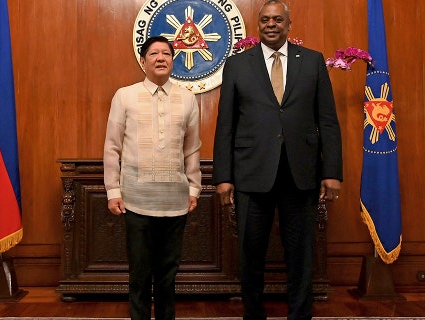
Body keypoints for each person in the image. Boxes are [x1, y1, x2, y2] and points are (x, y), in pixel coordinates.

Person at [212, 1, 343, 319]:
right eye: (265, 19)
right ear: (258, 25)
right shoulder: (238, 64)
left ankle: (300, 314)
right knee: (250, 252)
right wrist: (223, 177)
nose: (271, 24)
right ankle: (253, 314)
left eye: (278, 19)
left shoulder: (311, 62)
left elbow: (327, 120)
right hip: (251, 173)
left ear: (289, 24)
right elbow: (226, 123)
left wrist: (332, 172)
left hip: (301, 173)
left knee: (300, 253)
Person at [103, 35, 202, 320]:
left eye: (167, 54)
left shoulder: (187, 98)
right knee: (139, 274)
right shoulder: (125, 95)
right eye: (154, 54)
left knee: (168, 275)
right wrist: (113, 190)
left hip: (175, 201)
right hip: (135, 200)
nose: (161, 58)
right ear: (143, 61)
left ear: (173, 60)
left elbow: (192, 147)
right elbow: (112, 146)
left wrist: (194, 189)